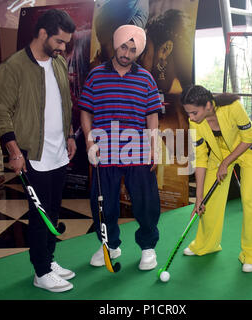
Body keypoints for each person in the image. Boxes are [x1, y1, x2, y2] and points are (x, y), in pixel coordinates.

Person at [0, 9, 77, 292]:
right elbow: (0, 110)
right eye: (60, 41)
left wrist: (68, 135)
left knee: (52, 211)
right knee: (39, 214)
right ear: (43, 34)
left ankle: (49, 260)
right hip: (33, 155)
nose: (63, 47)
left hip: (59, 153)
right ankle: (40, 271)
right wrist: (14, 151)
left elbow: (65, 103)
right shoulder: (13, 66)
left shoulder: (59, 63)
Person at [79, 24, 162, 271]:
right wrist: (89, 141)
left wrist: (153, 147)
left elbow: (152, 117)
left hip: (137, 152)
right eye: (124, 47)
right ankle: (110, 244)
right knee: (104, 205)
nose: (127, 53)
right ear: (116, 45)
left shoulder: (146, 78)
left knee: (146, 203)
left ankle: (148, 248)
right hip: (104, 153)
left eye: (133, 50)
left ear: (138, 53)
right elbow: (86, 111)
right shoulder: (95, 75)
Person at [181, 85, 252, 273]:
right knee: (207, 197)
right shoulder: (195, 122)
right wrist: (198, 198)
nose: (191, 117)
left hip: (250, 151)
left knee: (248, 198)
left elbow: (249, 137)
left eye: (194, 112)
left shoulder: (233, 107)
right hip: (220, 152)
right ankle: (206, 244)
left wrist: (226, 163)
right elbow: (201, 157)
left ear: (208, 105)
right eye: (188, 113)